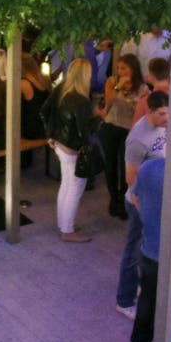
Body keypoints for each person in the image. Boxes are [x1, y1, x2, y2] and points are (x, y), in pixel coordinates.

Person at [116, 91, 168, 321]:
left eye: (168, 112)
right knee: (134, 251)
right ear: (150, 111)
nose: (167, 117)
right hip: (140, 202)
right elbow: (131, 177)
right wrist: (142, 205)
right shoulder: (137, 139)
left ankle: (138, 286)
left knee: (144, 247)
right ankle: (124, 300)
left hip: (155, 199)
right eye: (162, 114)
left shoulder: (163, 126)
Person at [41, 58, 99, 243]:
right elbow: (86, 130)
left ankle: (64, 224)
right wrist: (100, 117)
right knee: (74, 188)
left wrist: (50, 134)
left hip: (59, 145)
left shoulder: (61, 89)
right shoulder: (81, 100)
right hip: (73, 149)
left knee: (66, 186)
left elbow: (44, 111)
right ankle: (67, 230)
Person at [96, 54, 145, 220]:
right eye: (119, 67)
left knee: (125, 167)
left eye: (124, 68)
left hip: (128, 130)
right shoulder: (111, 81)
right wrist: (117, 87)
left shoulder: (142, 87)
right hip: (110, 126)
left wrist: (134, 104)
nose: (120, 71)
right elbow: (108, 104)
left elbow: (142, 112)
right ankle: (113, 199)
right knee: (110, 164)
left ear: (133, 68)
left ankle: (124, 200)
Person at [129, 154, 166, 342]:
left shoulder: (149, 168)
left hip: (149, 246)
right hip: (169, 251)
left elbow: (136, 199)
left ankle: (139, 340)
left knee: (147, 296)